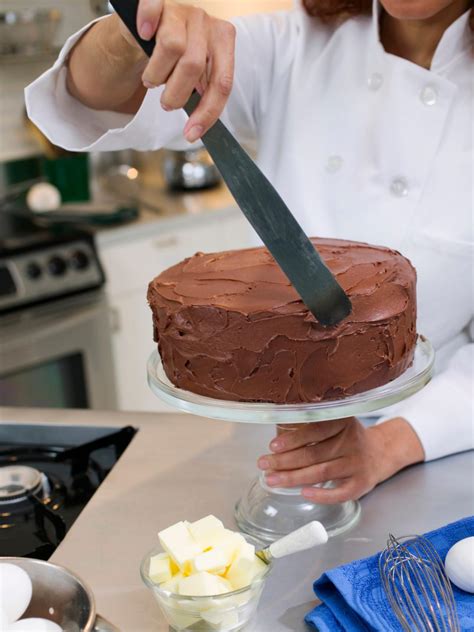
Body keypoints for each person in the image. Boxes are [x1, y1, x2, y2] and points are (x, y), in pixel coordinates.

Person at [25, 0, 473, 504]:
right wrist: (128, 37)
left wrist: (391, 444)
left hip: (440, 441)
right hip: (260, 431)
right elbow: (93, 103)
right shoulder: (291, 42)